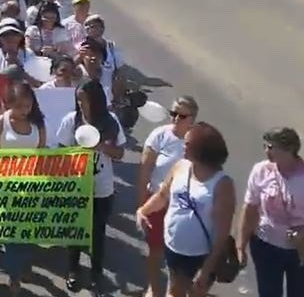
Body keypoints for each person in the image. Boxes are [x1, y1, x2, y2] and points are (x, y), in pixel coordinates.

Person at [136, 122, 235, 297]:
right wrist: (143, 211)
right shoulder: (180, 167)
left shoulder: (222, 184)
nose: (183, 146)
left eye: (188, 144)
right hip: (173, 246)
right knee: (174, 291)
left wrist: (206, 270)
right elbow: (162, 196)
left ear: (201, 149)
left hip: (201, 254)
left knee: (195, 293)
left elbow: (221, 233)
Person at [57, 80, 125, 293]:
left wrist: (101, 147)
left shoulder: (110, 122)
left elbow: (120, 153)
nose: (80, 103)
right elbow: (60, 150)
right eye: (78, 99)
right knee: (75, 230)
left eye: (84, 99)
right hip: (77, 186)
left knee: (97, 232)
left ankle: (96, 273)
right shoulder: (71, 120)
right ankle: (73, 270)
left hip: (101, 187)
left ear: (95, 100)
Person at [137, 95, 199, 297]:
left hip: (184, 207)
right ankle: (154, 289)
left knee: (178, 255)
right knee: (155, 251)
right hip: (157, 200)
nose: (175, 119)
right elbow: (145, 169)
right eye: (173, 113)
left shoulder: (197, 142)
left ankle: (175, 291)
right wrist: (142, 204)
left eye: (181, 116)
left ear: (192, 119)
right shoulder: (159, 135)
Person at [0, 83, 45, 294]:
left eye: (28, 105)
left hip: (31, 188)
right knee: (12, 235)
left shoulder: (38, 123)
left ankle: (26, 264)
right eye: (19, 106)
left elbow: (42, 154)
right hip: (7, 189)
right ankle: (14, 276)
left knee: (29, 232)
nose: (24, 110)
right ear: (8, 104)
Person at [238, 127, 304, 297]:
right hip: (265, 245)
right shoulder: (261, 170)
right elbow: (250, 207)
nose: (266, 151)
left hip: (300, 250)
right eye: (265, 146)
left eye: (270, 146)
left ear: (288, 149)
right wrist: (241, 245)